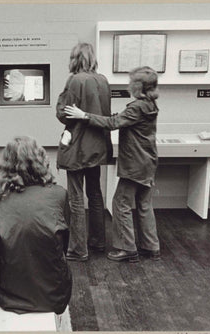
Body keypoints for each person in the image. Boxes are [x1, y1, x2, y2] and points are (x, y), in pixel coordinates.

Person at [64, 66, 161, 262]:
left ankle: (127, 249)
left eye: (131, 82)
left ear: (138, 86)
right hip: (148, 162)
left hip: (135, 164)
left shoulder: (136, 107)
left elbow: (112, 124)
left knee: (120, 203)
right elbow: (121, 120)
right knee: (143, 204)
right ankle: (151, 247)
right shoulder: (150, 105)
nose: (128, 85)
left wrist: (84, 115)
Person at [0, 136, 72, 314]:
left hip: (7, 293)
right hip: (53, 295)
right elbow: (63, 246)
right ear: (40, 160)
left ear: (6, 164)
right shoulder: (59, 194)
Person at [56, 42, 113, 262]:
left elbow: (64, 114)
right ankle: (97, 241)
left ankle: (78, 249)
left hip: (78, 146)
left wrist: (62, 99)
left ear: (75, 59)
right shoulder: (103, 80)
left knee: (76, 197)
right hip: (97, 145)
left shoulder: (75, 80)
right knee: (95, 194)